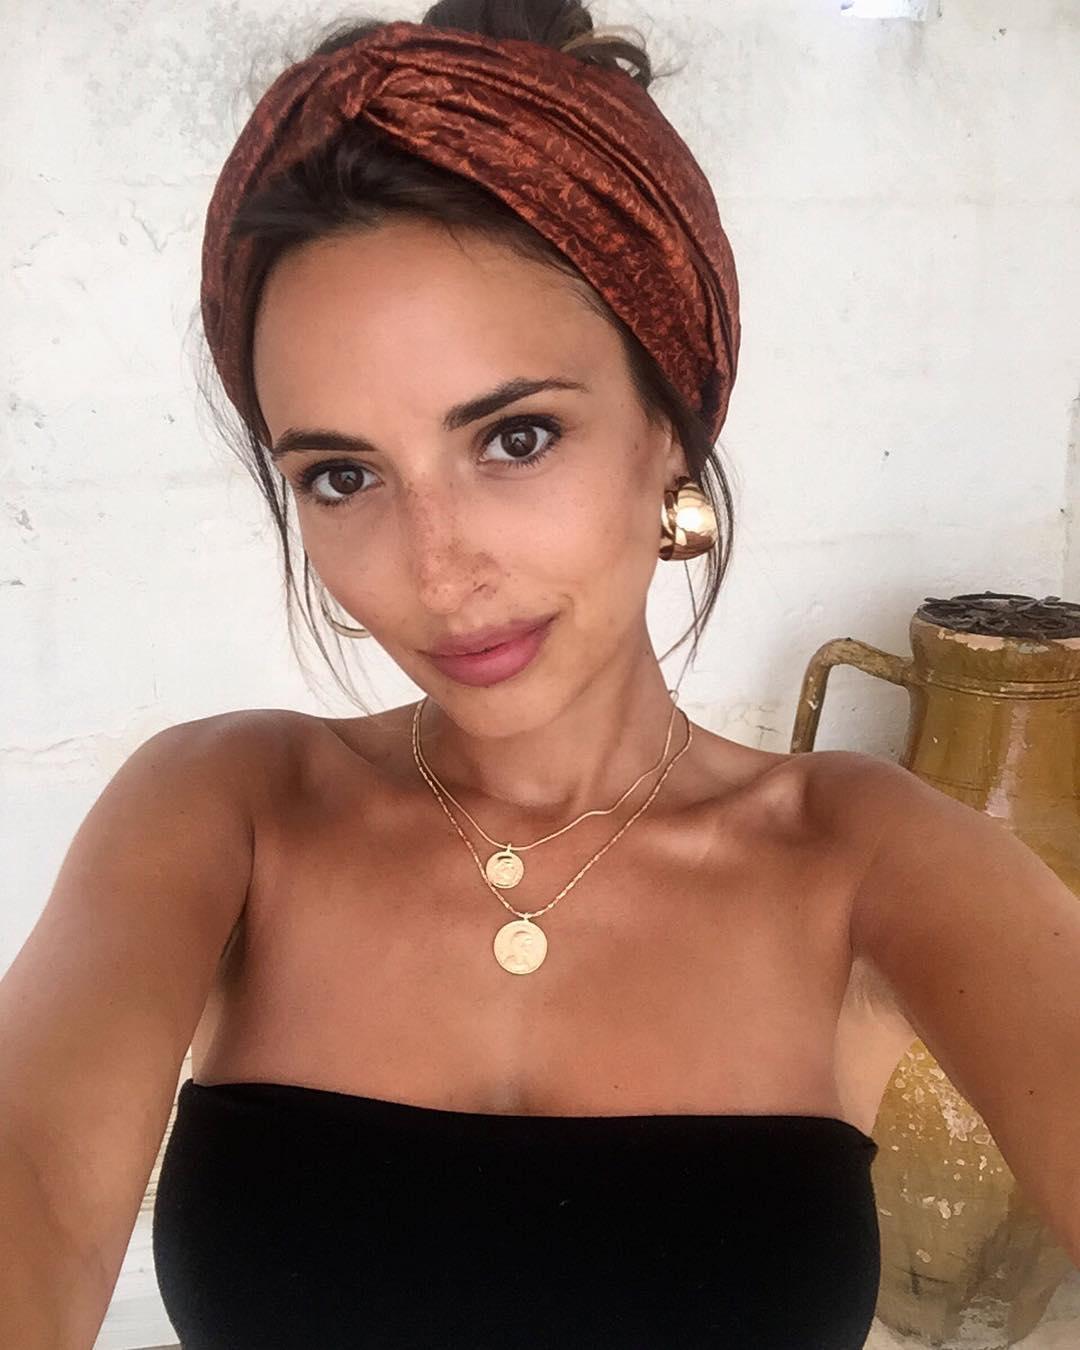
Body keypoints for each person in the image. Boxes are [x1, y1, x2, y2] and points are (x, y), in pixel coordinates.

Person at [5, 3, 1079, 1349]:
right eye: (341, 476)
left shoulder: (866, 861)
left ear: (669, 424)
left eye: (513, 438)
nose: (437, 568)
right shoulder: (224, 810)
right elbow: (32, 1185)